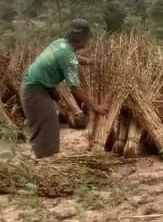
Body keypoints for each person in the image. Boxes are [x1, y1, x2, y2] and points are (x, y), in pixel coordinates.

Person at [20, 18, 108, 158]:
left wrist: (91, 62)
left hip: (34, 86)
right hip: (35, 90)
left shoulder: (60, 43)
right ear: (83, 39)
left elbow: (72, 57)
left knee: (47, 122)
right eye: (87, 38)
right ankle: (43, 159)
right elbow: (75, 87)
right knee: (47, 124)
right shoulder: (68, 57)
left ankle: (43, 157)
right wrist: (95, 106)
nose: (88, 41)